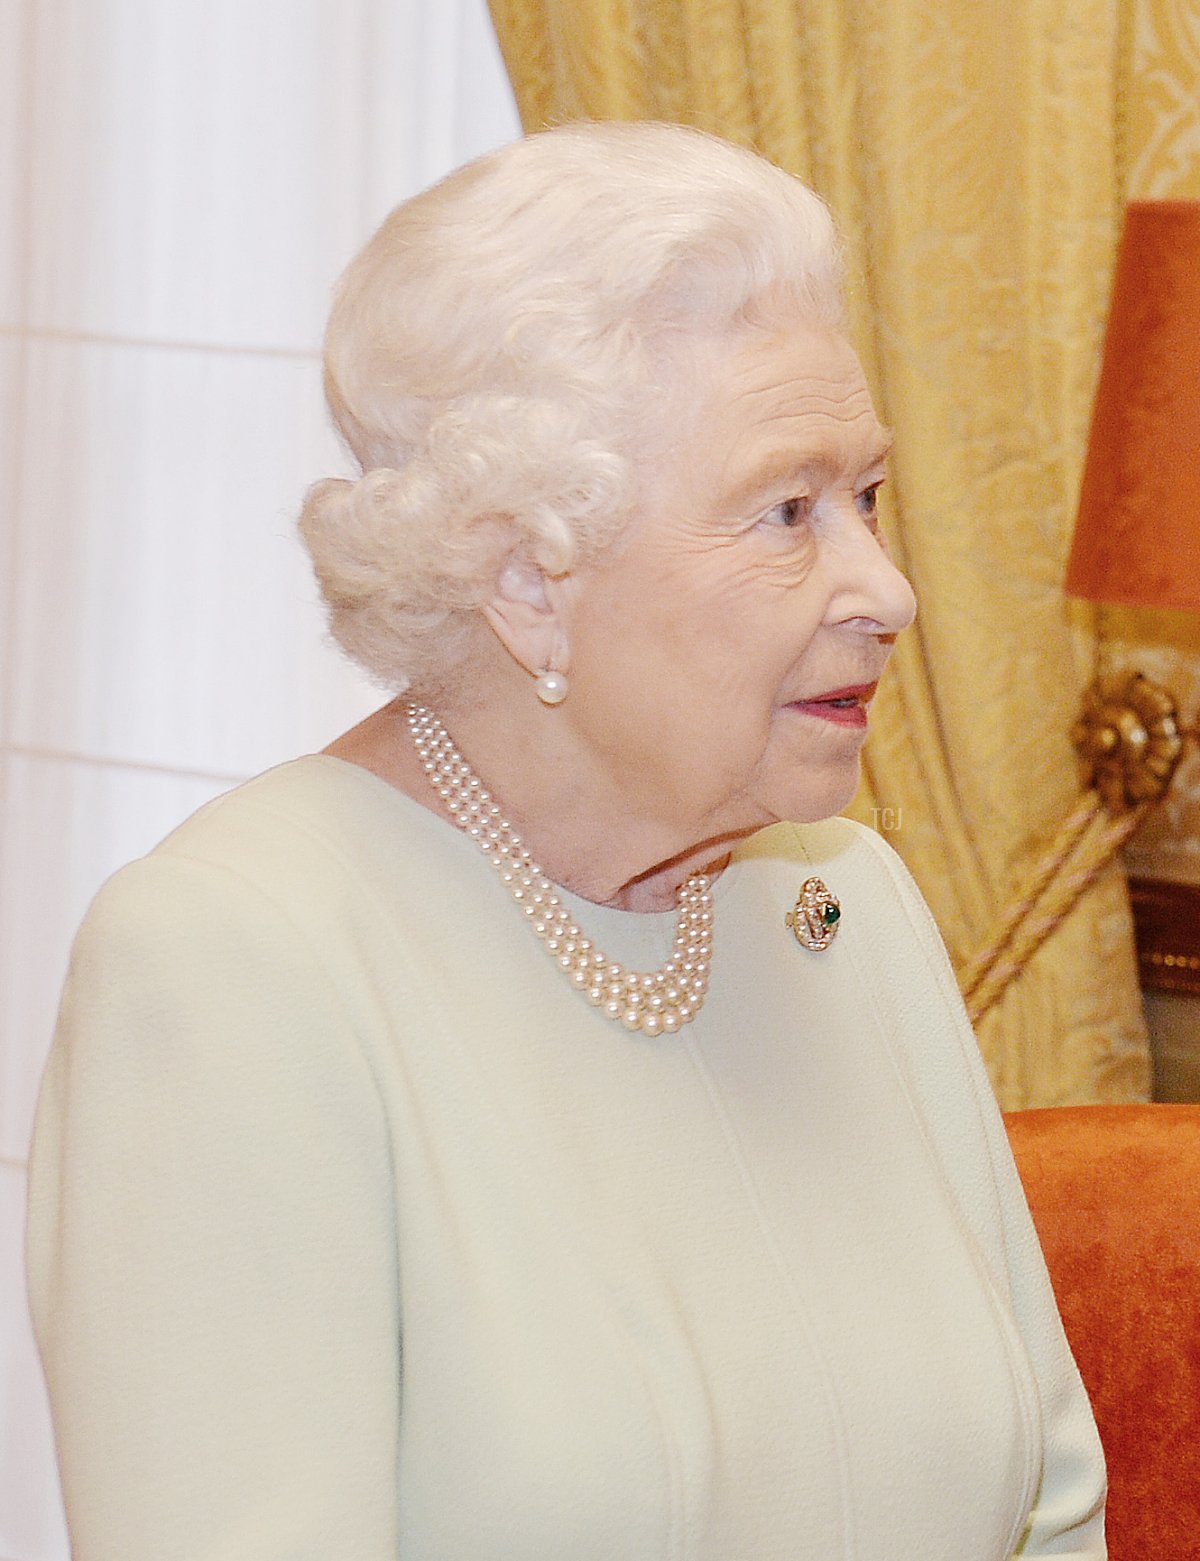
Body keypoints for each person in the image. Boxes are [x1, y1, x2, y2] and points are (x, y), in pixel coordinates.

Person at [26, 121, 1105, 1559]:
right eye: (787, 511)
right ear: (529, 578)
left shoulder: (849, 907)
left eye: (867, 498)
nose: (886, 587)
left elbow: (1051, 1502)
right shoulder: (238, 961)